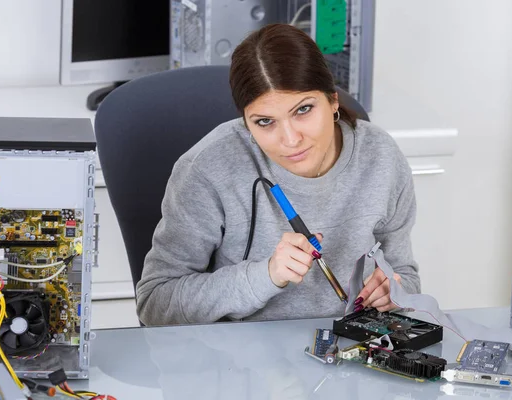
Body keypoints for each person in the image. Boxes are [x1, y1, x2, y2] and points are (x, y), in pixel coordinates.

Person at [136, 23, 420, 326]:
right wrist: (267, 274)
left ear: (333, 100)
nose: (290, 139)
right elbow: (155, 304)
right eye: (264, 121)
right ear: (245, 122)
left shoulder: (381, 156)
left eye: (303, 110)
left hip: (352, 354)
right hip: (242, 362)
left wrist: (396, 292)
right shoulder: (206, 169)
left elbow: (406, 275)